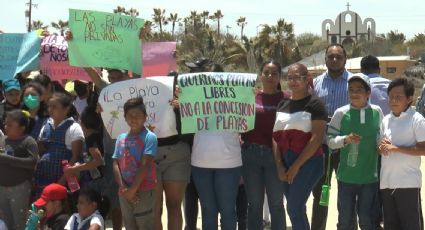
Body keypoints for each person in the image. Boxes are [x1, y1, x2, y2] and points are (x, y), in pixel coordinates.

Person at [273, 63, 327, 229]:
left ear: (307, 79)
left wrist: (296, 166)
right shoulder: (282, 104)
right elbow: (275, 137)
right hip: (287, 161)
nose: (293, 81)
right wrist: (280, 166)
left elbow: (316, 139)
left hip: (309, 162)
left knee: (294, 208)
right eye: (290, 78)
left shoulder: (315, 104)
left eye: (298, 77)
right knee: (296, 208)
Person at [327, 73, 383, 229]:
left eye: (359, 89)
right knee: (345, 220)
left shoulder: (377, 112)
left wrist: (382, 146)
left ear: (368, 93)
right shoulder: (341, 113)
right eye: (351, 89)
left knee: (367, 220)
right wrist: (345, 139)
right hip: (346, 178)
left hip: (369, 179)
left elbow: (382, 136)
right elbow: (330, 141)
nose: (354, 93)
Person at [240, 60, 286, 230]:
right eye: (266, 72)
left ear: (280, 77)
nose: (270, 76)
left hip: (276, 157)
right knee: (254, 204)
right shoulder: (250, 97)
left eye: (274, 73)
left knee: (276, 204)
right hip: (250, 154)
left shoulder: (286, 98)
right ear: (261, 75)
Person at [311, 44, 351, 230]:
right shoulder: (316, 83)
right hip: (322, 148)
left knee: (347, 193)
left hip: (348, 147)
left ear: (345, 59)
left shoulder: (356, 82)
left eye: (338, 56)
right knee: (321, 194)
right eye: (331, 56)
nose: (334, 60)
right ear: (325, 58)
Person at [378, 78, 425, 230]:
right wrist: (381, 148)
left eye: (398, 97)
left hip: (408, 183)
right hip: (386, 183)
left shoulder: (416, 119)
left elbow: (423, 149)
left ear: (409, 98)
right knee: (390, 226)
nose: (393, 100)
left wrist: (396, 148)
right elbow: (381, 147)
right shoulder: (385, 120)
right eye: (391, 96)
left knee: (411, 226)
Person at [112, 97, 158, 229]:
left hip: (143, 190)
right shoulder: (120, 138)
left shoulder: (150, 137)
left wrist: (133, 190)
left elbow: (145, 166)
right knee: (129, 225)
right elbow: (115, 163)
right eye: (130, 115)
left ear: (145, 117)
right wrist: (123, 188)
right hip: (124, 191)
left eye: (137, 115)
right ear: (125, 118)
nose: (133, 119)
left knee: (145, 225)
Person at [154, 71, 192, 230]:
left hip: (177, 153)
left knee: (174, 205)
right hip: (152, 155)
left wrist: (183, 106)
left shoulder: (189, 100)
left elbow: (195, 125)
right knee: (155, 209)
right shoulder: (151, 96)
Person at [34, 92, 84, 195]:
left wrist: (62, 180)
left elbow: (75, 157)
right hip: (44, 175)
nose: (50, 110)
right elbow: (41, 150)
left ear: (66, 109)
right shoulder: (46, 125)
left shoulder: (74, 127)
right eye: (49, 106)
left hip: (63, 177)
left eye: (55, 107)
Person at [182, 58, 210, 230]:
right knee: (190, 194)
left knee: (207, 198)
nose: (191, 75)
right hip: (189, 150)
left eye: (196, 71)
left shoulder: (214, 94)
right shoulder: (183, 93)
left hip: (209, 153)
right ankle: (190, 226)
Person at [0, 110, 38, 230]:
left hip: (19, 187)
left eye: (10, 125)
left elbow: (32, 162)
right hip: (2, 188)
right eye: (5, 124)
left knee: (19, 222)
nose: (6, 127)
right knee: (7, 221)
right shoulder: (3, 140)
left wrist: (6, 159)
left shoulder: (29, 141)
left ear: (22, 128)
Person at [63, 106, 104, 186]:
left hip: (95, 181)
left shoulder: (91, 140)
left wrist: (75, 168)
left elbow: (99, 161)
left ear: (82, 123)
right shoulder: (95, 135)